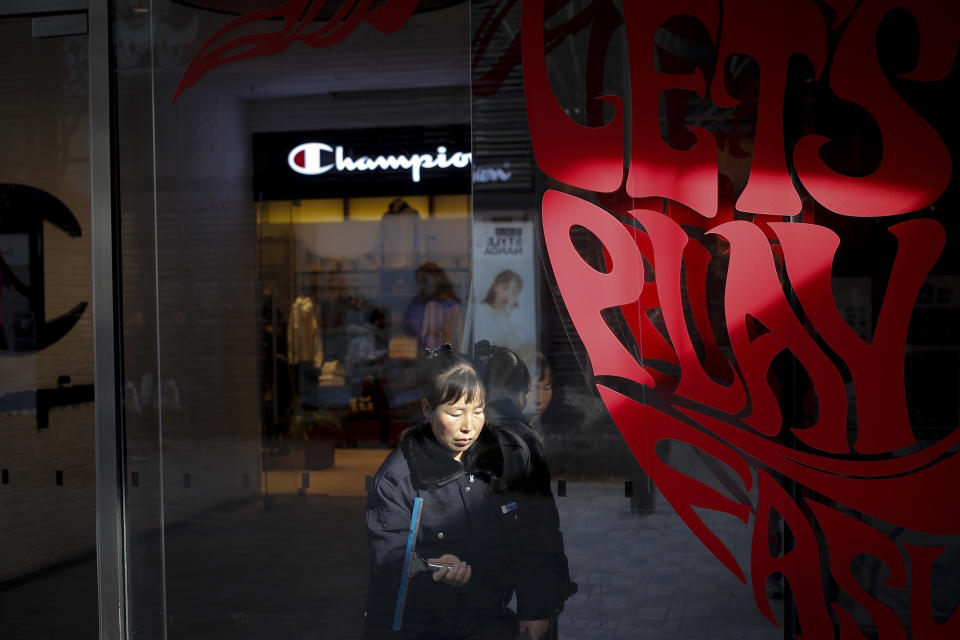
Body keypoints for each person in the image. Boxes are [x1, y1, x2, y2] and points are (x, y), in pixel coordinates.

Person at [363, 346, 558, 639]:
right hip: (422, 627)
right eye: (455, 413)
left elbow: (532, 538)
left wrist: (535, 607)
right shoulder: (398, 477)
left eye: (477, 411)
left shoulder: (501, 460)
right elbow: (390, 557)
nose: (468, 425)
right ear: (428, 408)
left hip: (488, 619)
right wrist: (434, 566)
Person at [475, 341, 576, 633]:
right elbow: (538, 531)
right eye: (528, 389)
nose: (532, 398)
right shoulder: (517, 441)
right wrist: (537, 607)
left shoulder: (466, 436)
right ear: (512, 392)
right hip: (508, 595)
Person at [474, 269, 535, 368]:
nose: (508, 295)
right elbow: (481, 343)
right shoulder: (482, 310)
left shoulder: (511, 316)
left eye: (514, 293)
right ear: (495, 287)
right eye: (505, 288)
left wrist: (509, 317)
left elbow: (521, 346)